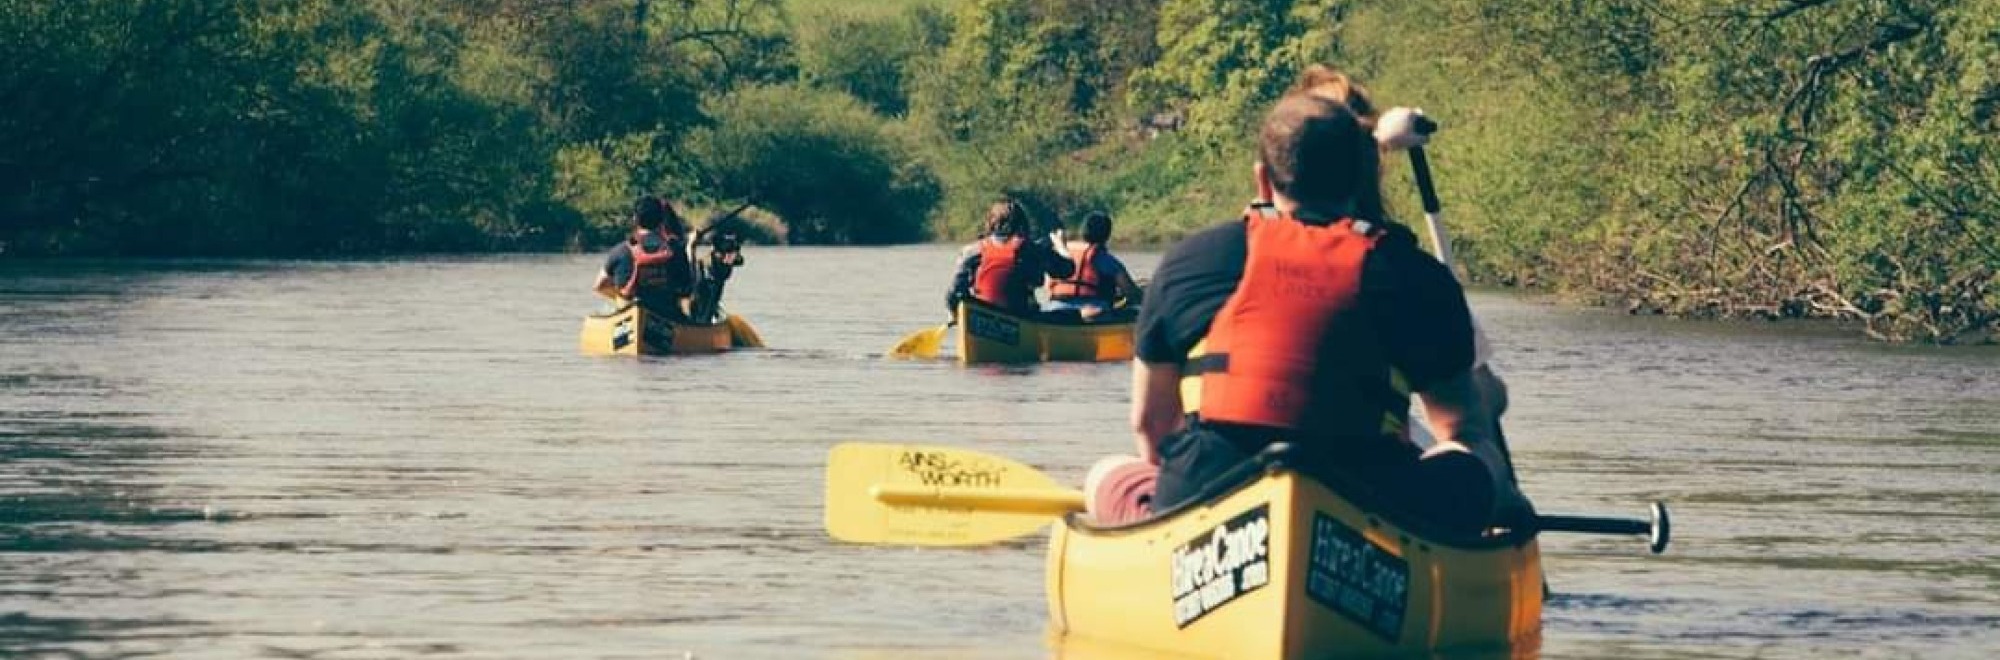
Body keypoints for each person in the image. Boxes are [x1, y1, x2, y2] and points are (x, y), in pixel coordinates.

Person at [1100, 89, 1515, 533]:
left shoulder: (1190, 260)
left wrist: (1175, 500)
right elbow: (1458, 427)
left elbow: (1151, 425)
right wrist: (1503, 501)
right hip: (1371, 499)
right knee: (1474, 455)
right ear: (1361, 179)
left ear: (1262, 180)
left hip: (1211, 492)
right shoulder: (1415, 274)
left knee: (1106, 476)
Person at [946, 199, 1075, 318]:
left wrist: (955, 314)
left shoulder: (971, 251)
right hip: (1022, 316)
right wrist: (1061, 246)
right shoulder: (1032, 249)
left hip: (981, 315)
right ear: (1022, 225)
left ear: (991, 223)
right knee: (1072, 315)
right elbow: (1067, 270)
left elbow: (953, 294)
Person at [594, 195, 694, 319]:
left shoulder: (620, 250)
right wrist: (691, 248)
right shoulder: (676, 250)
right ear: (662, 220)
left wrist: (618, 297)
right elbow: (687, 290)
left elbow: (599, 285)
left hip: (628, 316)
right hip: (667, 317)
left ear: (635, 219)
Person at [1044, 212, 1143, 321]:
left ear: (1082, 232)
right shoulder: (1106, 259)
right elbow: (1131, 293)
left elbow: (1048, 288)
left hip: (1054, 310)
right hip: (1092, 313)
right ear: (1106, 236)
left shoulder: (1060, 254)